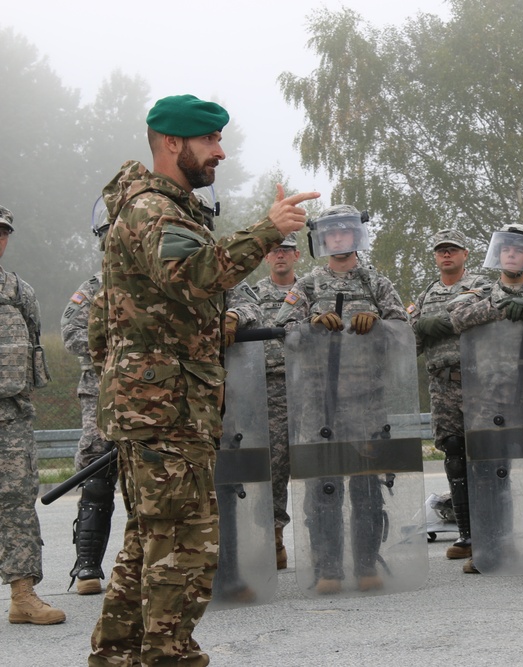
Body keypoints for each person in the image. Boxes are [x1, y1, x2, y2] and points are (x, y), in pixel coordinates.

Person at [87, 94, 317, 666]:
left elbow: (117, 319)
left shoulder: (158, 208)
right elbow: (196, 274)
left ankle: (117, 657)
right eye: (209, 140)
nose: (220, 150)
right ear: (172, 143)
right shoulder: (152, 211)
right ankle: (169, 657)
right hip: (164, 411)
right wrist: (268, 230)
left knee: (149, 541)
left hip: (156, 406)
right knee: (185, 546)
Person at [275, 204, 409, 594]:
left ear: (355, 236)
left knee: (366, 486)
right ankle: (328, 569)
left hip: (367, 401)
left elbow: (404, 330)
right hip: (320, 403)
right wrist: (310, 324)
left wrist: (378, 324)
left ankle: (366, 564)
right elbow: (282, 328)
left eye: (343, 232)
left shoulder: (376, 283)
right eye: (330, 233)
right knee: (323, 487)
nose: (337, 239)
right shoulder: (309, 285)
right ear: (322, 239)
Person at [447, 223, 523, 574]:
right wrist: (504, 307)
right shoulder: (482, 292)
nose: (511, 255)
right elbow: (457, 316)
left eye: (518, 250)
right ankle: (494, 546)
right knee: (493, 476)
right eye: (505, 250)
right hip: (491, 399)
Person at [410, 229, 490, 570]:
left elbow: (484, 313)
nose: (446, 256)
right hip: (442, 385)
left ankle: (494, 528)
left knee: (486, 452)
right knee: (454, 454)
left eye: (452, 250)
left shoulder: (480, 285)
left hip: (480, 382)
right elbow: (412, 333)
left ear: (465, 254)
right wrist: (422, 325)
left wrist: (437, 324)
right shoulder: (427, 293)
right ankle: (467, 533)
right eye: (441, 251)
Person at [0, 204, 65, 625]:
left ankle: (24, 595)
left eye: (3, 231)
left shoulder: (19, 291)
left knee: (18, 501)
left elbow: (33, 346)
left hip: (11, 416)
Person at [60, 200, 115, 596]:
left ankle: (148, 564)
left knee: (150, 480)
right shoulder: (91, 290)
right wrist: (116, 349)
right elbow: (72, 335)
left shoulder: (154, 285)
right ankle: (88, 566)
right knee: (96, 476)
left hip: (149, 396)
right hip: (100, 394)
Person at [254, 232, 301, 570]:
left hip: (310, 386)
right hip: (269, 388)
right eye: (274, 250)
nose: (280, 255)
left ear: (297, 255)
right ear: (267, 257)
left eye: (286, 250)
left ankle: (325, 536)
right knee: (275, 465)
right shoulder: (252, 295)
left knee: (319, 462)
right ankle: (273, 538)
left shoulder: (311, 291)